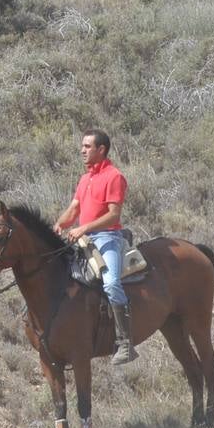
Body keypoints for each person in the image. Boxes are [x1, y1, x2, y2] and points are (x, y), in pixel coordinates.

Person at [53, 129, 138, 365]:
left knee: (111, 283)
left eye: (88, 146)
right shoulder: (85, 179)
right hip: (84, 239)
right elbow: (73, 211)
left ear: (101, 150)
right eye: (82, 146)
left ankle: (125, 343)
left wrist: (83, 228)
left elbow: (113, 216)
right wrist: (60, 224)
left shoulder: (114, 176)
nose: (82, 150)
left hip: (107, 238)